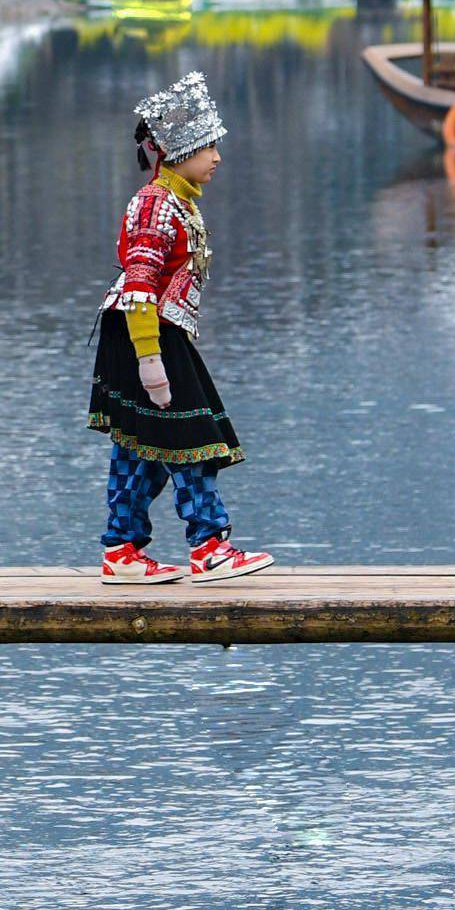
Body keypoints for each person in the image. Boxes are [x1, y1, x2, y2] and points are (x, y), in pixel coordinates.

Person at [88, 71, 272, 584]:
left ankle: (121, 550)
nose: (216, 158)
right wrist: (151, 361)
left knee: (143, 445)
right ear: (178, 151)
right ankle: (209, 545)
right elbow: (140, 287)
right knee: (191, 438)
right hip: (145, 335)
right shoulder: (155, 204)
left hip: (155, 336)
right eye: (207, 147)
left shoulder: (177, 201)